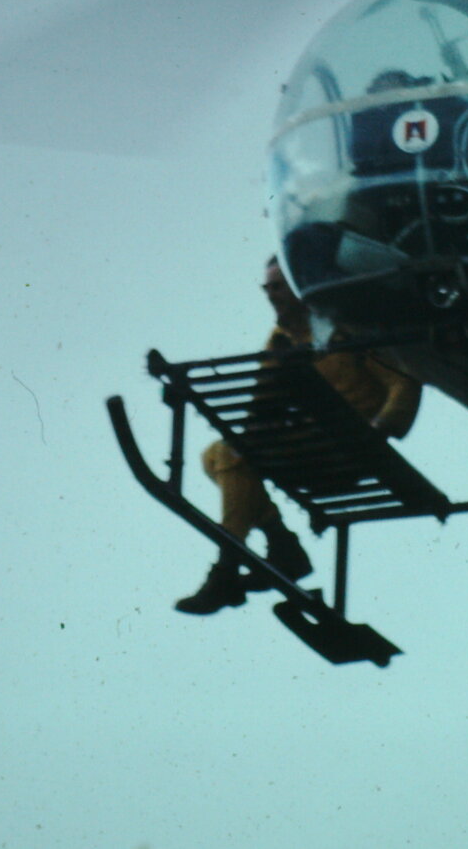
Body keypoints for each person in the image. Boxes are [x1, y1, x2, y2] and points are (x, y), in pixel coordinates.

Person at [175, 258, 423, 615]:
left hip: (344, 455)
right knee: (215, 455)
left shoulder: (344, 332)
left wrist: (380, 429)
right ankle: (280, 544)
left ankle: (232, 566)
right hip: (303, 452)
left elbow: (404, 382)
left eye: (278, 286)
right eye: (267, 288)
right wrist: (261, 426)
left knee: (229, 455)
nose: (271, 295)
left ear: (300, 284)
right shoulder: (281, 342)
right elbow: (262, 404)